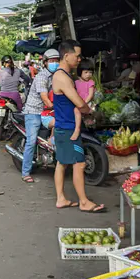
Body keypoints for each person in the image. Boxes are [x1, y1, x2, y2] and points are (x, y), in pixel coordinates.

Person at [51, 40, 105, 213]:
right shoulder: (62, 77)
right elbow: (79, 103)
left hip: (63, 126)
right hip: (68, 129)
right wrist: (90, 111)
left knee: (62, 163)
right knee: (79, 164)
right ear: (66, 56)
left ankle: (61, 199)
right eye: (78, 55)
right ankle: (83, 201)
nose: (80, 59)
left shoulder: (64, 76)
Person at [20, 49, 60, 184]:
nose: (54, 63)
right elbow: (45, 98)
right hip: (34, 111)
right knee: (31, 141)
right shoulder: (42, 77)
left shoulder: (57, 76)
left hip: (47, 111)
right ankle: (25, 172)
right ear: (45, 63)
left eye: (56, 61)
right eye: (51, 61)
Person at [73, 59, 96, 139]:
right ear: (80, 72)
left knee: (88, 120)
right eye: (86, 72)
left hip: (87, 103)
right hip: (79, 103)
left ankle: (87, 132)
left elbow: (90, 94)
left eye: (90, 72)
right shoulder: (76, 82)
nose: (88, 75)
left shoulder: (91, 82)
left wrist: (84, 103)